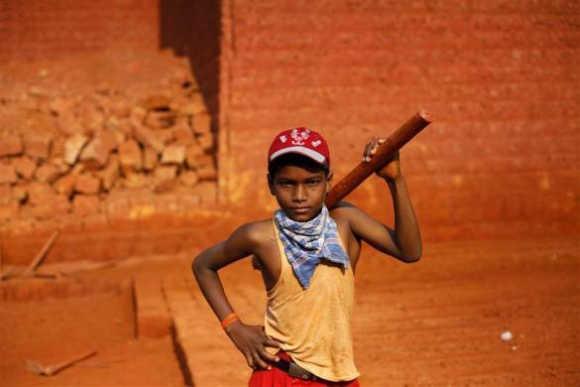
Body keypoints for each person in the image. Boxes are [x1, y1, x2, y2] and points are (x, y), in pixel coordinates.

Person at [193, 127, 422, 386]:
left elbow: (409, 251)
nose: (300, 196)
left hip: (340, 378)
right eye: (287, 183)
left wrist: (395, 180)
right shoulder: (260, 236)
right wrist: (234, 327)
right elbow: (203, 265)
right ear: (271, 184)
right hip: (282, 375)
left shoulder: (344, 222)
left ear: (328, 180)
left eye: (312, 182)